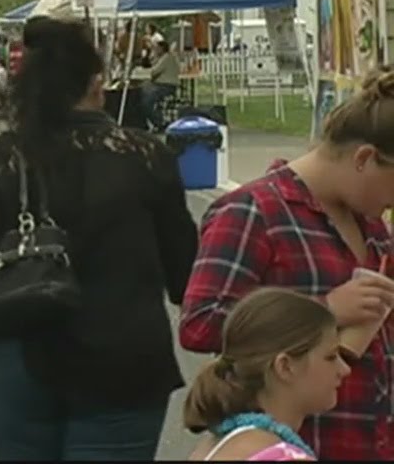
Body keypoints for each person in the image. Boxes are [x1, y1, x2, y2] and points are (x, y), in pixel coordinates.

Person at [0, 16, 198, 461]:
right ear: (97, 83)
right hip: (124, 358)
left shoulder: (10, 155)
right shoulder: (147, 155)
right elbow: (184, 272)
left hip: (19, 351)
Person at [180, 66, 394, 461]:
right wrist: (326, 309)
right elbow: (200, 324)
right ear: (364, 158)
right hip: (298, 444)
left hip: (369, 437)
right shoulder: (253, 212)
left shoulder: (371, 226)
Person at [184, 288, 347, 462]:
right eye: (330, 357)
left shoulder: (210, 448)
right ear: (285, 366)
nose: (344, 369)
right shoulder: (283, 457)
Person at [143, 38, 181, 131]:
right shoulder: (170, 57)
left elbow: (154, 72)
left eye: (156, 48)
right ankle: (154, 121)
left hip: (165, 86)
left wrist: (154, 58)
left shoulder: (166, 58)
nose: (155, 50)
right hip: (166, 85)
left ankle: (158, 122)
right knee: (144, 92)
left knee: (146, 101)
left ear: (162, 49)